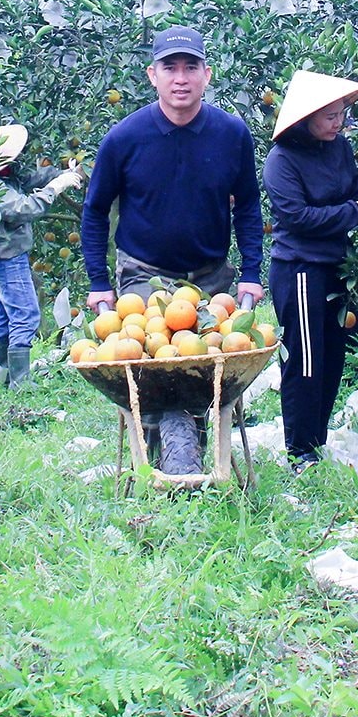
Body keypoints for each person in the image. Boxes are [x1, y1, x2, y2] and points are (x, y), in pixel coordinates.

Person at [80, 26, 265, 475]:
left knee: (211, 361)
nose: (180, 78)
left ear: (207, 74)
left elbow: (249, 208)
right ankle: (168, 449)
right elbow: (95, 210)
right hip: (146, 271)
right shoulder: (125, 137)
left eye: (190, 67)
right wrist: (99, 282)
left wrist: (252, 273)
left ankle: (192, 443)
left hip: (210, 274)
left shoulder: (231, 134)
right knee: (155, 361)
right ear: (152, 75)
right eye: (170, 68)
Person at [263, 71, 358, 467]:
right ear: (305, 117)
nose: (338, 123)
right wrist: (354, 211)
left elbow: (356, 200)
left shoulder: (339, 149)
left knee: (332, 357)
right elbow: (296, 217)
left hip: (338, 269)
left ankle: (316, 444)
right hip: (300, 270)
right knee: (305, 359)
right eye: (329, 116)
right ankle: (299, 451)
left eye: (341, 114)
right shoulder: (281, 161)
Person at [0, 124, 82, 389]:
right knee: (26, 314)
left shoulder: (5, 176)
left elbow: (31, 178)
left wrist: (64, 173)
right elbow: (25, 208)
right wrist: (56, 187)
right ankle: (20, 383)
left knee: (5, 315)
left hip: (7, 252)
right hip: (4, 256)